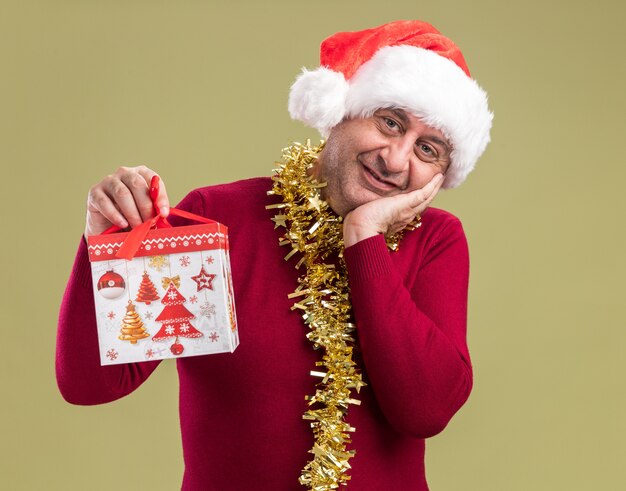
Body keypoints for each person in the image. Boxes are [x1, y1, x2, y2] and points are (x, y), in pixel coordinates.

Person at [57, 20, 492, 490]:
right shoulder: (218, 218)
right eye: (390, 122)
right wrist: (104, 247)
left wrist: (363, 235)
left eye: (428, 149)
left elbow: (424, 409)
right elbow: (90, 386)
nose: (396, 158)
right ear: (341, 111)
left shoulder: (436, 240)